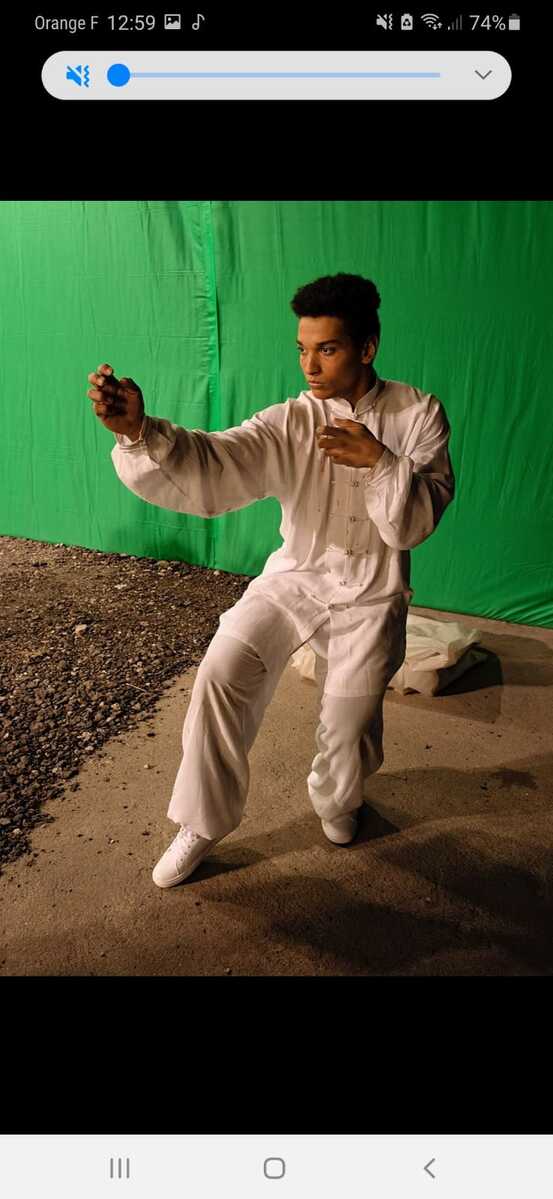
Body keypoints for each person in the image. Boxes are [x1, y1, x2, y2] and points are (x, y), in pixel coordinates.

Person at [87, 272, 455, 888]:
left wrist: (380, 461)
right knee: (220, 672)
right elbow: (218, 459)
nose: (309, 365)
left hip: (372, 589)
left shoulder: (419, 415)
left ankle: (338, 800)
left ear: (367, 347)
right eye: (302, 349)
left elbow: (413, 525)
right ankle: (201, 822)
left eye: (327, 349)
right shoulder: (292, 420)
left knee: (350, 727)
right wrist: (140, 432)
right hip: (296, 576)